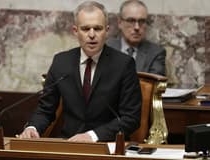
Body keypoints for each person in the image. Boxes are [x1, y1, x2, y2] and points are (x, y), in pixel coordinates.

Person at [19, 1, 142, 142]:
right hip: (69, 144)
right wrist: (32, 128)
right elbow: (45, 109)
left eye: (97, 28)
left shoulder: (123, 64)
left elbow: (131, 118)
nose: (91, 34)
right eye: (85, 29)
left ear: (106, 31)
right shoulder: (61, 62)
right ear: (75, 31)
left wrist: (92, 136)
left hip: (107, 145)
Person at [107, 0, 166, 76]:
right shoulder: (106, 48)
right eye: (131, 21)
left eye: (141, 21)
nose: (137, 27)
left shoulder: (156, 53)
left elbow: (153, 85)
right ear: (120, 23)